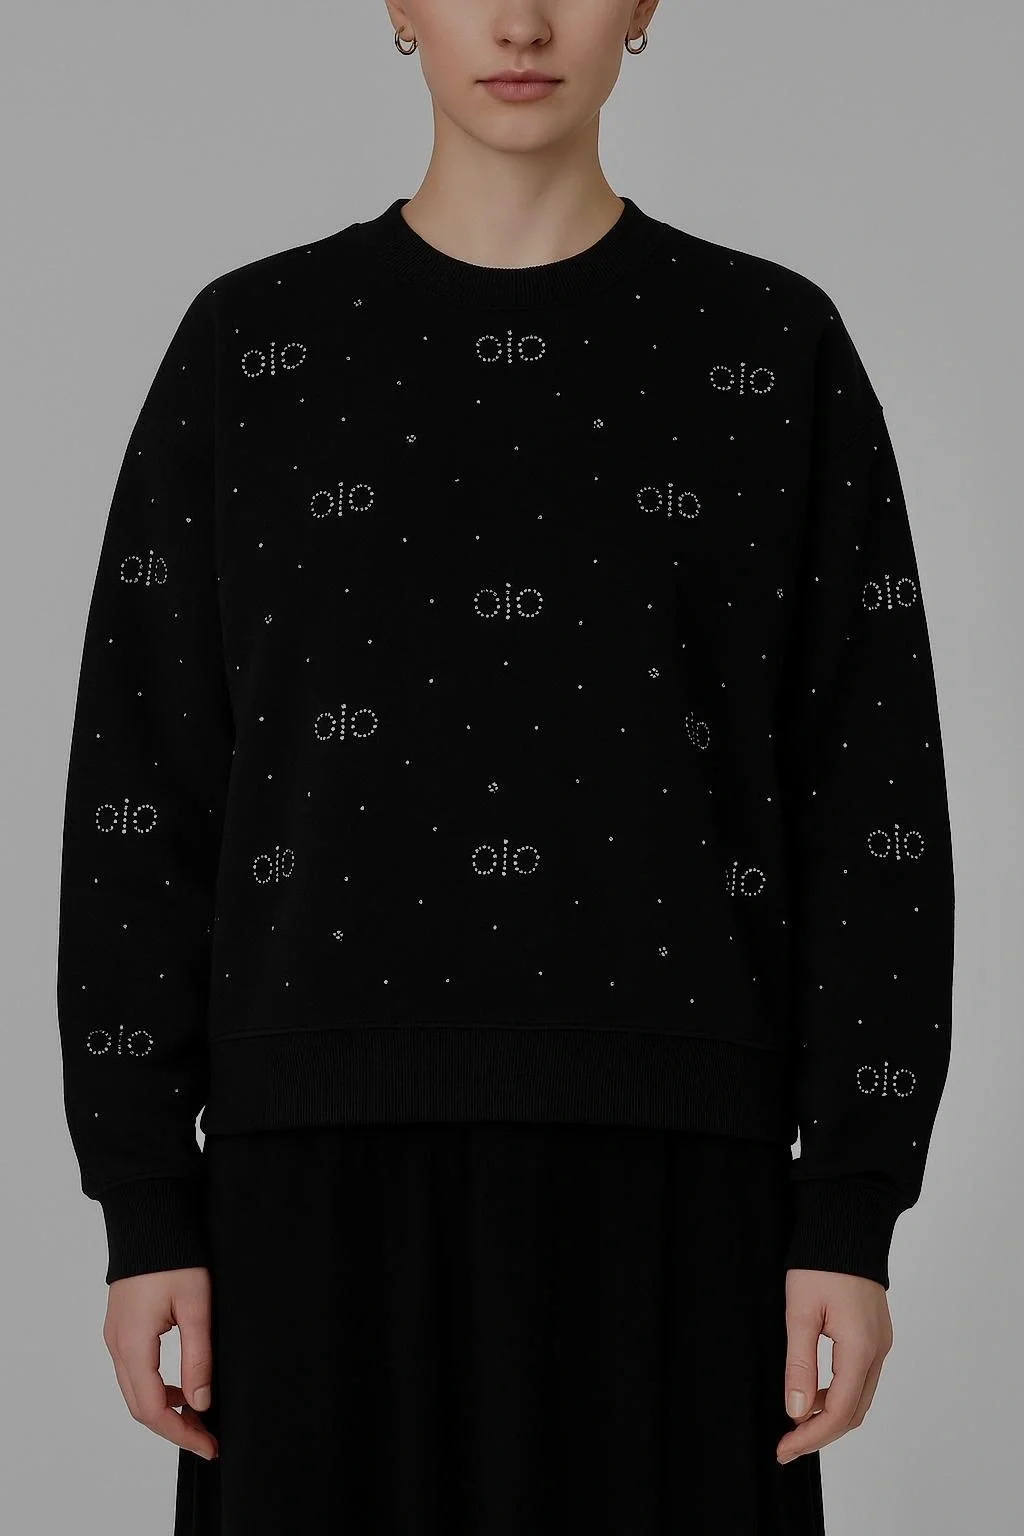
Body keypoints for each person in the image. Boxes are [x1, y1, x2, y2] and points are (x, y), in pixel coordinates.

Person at [55, 2, 955, 1531]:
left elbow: (871, 803)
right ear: (397, 7)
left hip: (683, 1184)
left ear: (647, 7)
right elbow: (144, 791)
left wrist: (851, 1206)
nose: (523, 21)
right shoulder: (252, 347)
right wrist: (145, 1203)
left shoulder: (767, 345)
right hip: (306, 1189)